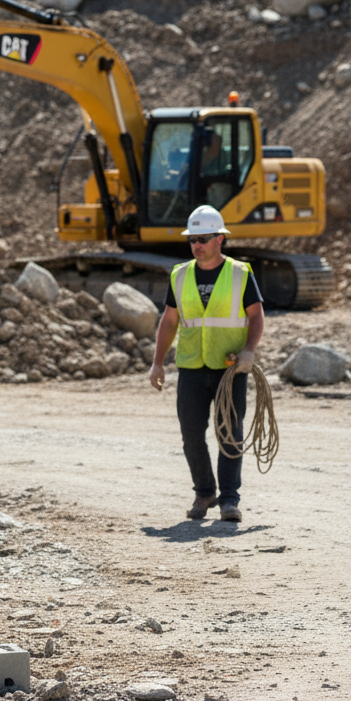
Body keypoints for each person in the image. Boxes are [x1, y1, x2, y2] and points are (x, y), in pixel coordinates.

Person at [148, 205, 265, 523]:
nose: (197, 244)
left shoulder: (241, 273)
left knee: (230, 434)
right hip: (191, 367)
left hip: (230, 369)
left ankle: (229, 500)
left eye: (203, 238)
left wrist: (249, 351)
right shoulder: (180, 274)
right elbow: (169, 320)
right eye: (193, 239)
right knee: (191, 435)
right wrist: (157, 363)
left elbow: (256, 316)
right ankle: (204, 492)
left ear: (220, 239)